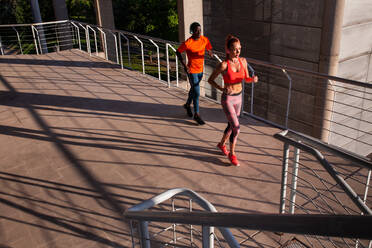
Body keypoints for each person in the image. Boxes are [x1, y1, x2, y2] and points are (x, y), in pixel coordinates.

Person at [207, 35, 258, 166]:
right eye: (235, 49)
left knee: (231, 125)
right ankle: (232, 153)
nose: (238, 51)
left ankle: (221, 144)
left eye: (239, 49)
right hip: (228, 99)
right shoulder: (224, 65)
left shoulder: (243, 61)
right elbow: (210, 80)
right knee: (236, 127)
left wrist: (252, 79)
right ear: (228, 50)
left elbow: (246, 78)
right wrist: (222, 88)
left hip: (239, 97)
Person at [176, 22, 213, 125]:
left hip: (201, 70)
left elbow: (208, 47)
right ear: (192, 32)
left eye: (200, 30)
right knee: (196, 92)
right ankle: (197, 114)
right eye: (196, 30)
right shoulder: (188, 42)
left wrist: (209, 52)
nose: (199, 32)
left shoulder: (204, 39)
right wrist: (184, 65)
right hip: (192, 71)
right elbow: (177, 52)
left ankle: (187, 105)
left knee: (193, 89)